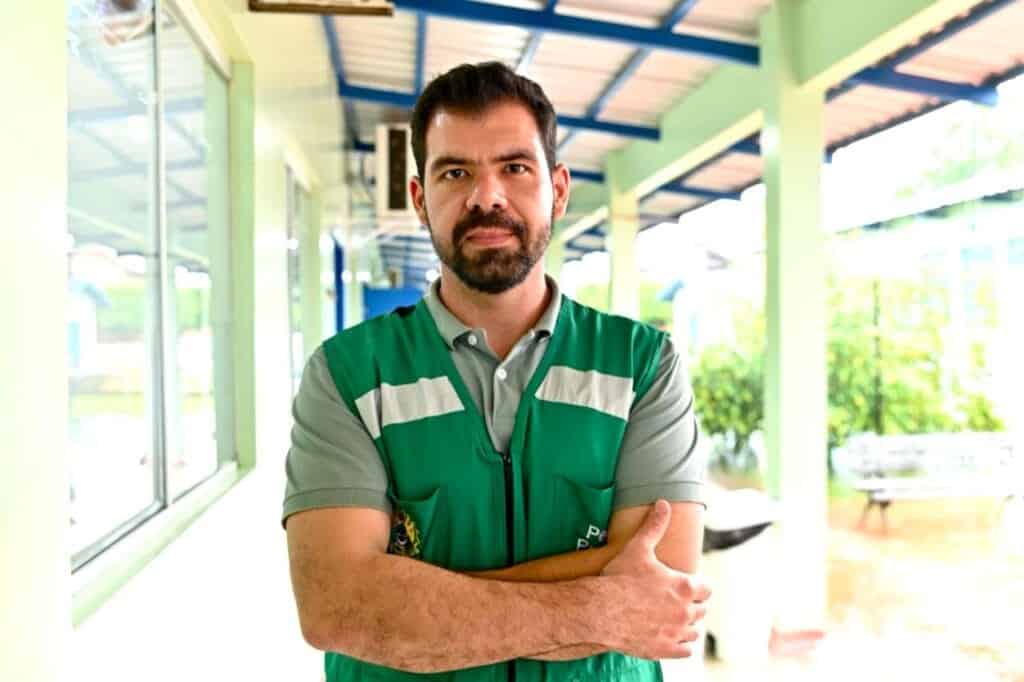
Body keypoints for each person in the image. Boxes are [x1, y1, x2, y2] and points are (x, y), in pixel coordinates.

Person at [282, 61, 710, 682]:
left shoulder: (641, 365)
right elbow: (338, 607)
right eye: (455, 172)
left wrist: (411, 601)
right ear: (420, 198)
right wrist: (600, 604)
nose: (487, 197)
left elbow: (662, 592)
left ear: (558, 189)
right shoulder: (348, 375)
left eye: (515, 167)